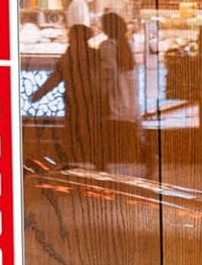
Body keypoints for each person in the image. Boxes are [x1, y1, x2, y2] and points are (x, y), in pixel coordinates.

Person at [30, 24, 103, 166]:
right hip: (92, 102)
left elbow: (54, 80)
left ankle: (76, 163)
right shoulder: (94, 55)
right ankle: (91, 162)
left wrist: (37, 95)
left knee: (74, 134)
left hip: (73, 102)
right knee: (90, 134)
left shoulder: (68, 57)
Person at [97, 11, 149, 173]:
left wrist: (100, 95)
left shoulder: (107, 47)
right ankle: (149, 159)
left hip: (115, 97)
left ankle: (102, 166)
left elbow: (108, 75)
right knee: (132, 133)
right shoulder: (125, 45)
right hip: (129, 99)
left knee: (104, 133)